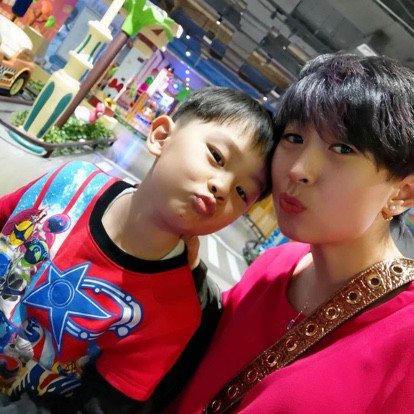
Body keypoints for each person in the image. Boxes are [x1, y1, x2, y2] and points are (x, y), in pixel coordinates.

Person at [0, 86, 275, 413]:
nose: (223, 187)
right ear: (161, 136)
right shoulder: (72, 181)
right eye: (217, 157)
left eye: (242, 192)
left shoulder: (175, 314)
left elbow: (98, 405)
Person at [166, 53, 414, 414]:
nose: (298, 169)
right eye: (294, 137)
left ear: (401, 194)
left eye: (342, 148)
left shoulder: (405, 337)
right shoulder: (276, 264)